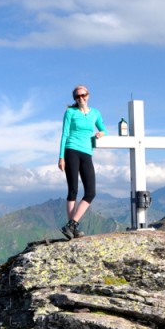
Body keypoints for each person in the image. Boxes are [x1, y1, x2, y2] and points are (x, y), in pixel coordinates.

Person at [58, 84, 106, 239]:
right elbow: (64, 134)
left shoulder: (95, 113)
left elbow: (103, 128)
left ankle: (72, 224)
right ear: (75, 98)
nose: (81, 98)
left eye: (83, 95)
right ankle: (72, 228)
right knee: (73, 190)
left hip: (87, 152)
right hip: (71, 150)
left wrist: (100, 133)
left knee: (90, 192)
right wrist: (61, 157)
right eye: (78, 96)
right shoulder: (70, 112)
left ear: (88, 95)